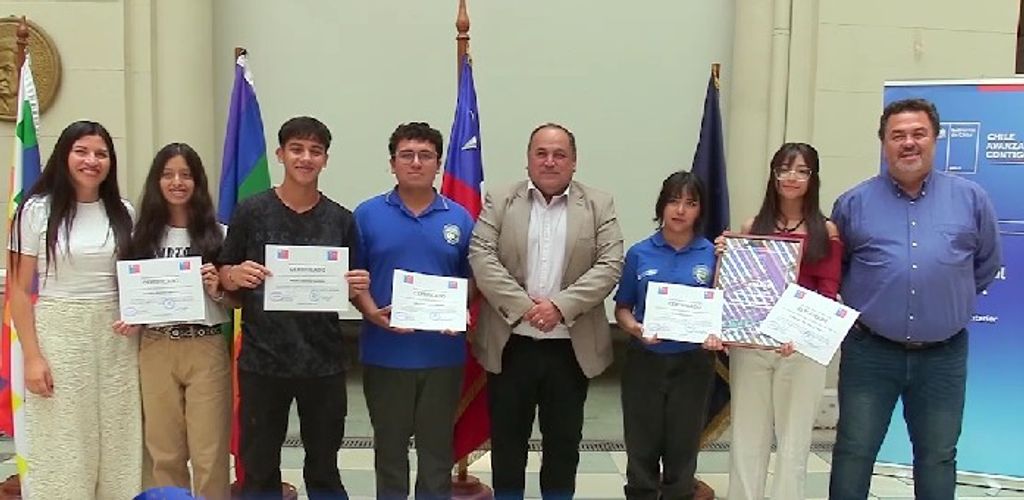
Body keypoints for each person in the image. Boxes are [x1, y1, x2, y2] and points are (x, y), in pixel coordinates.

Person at [828, 98, 1001, 500]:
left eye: (918, 133)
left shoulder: (971, 199)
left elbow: (986, 264)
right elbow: (838, 268)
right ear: (884, 143)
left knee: (938, 456)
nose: (908, 143)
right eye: (898, 135)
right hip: (870, 353)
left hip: (943, 357)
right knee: (854, 450)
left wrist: (943, 300)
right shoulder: (853, 203)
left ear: (935, 139)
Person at [217, 116, 371, 499]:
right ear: (280, 154)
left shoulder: (341, 219)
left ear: (325, 159)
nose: (306, 158)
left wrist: (358, 287)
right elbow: (224, 272)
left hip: (324, 362)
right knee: (259, 467)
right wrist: (233, 274)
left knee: (324, 467)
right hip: (262, 361)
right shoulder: (251, 212)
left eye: (315, 151)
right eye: (297, 149)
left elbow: (352, 284)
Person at [468, 122, 624, 499]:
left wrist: (559, 307)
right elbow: (481, 256)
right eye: (541, 153)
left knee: (563, 444)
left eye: (559, 154)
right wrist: (524, 308)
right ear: (528, 160)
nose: (549, 161)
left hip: (570, 347)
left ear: (574, 162)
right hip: (511, 343)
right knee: (508, 442)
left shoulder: (599, 204)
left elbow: (610, 265)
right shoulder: (501, 200)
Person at [7, 120, 139, 498]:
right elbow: (18, 290)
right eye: (81, 151)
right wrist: (32, 357)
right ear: (64, 155)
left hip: (115, 337)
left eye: (101, 154)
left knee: (119, 437)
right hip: (60, 333)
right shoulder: (36, 211)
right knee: (65, 440)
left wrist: (136, 314)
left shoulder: (124, 211)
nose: (91, 161)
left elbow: (133, 278)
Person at [709, 143, 842, 500]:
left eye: (802, 170)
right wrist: (726, 256)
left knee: (794, 443)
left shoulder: (826, 230)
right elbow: (739, 286)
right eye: (784, 169)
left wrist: (800, 332)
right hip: (753, 346)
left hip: (801, 349)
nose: (791, 177)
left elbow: (828, 292)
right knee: (746, 438)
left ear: (813, 178)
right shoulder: (752, 227)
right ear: (773, 175)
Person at [351, 122, 475, 499]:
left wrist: (460, 310)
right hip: (385, 354)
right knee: (389, 452)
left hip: (443, 355)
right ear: (392, 164)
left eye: (425, 155)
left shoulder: (460, 218)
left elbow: (472, 280)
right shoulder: (366, 214)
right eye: (407, 155)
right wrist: (371, 312)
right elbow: (354, 278)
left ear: (438, 164)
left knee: (437, 453)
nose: (416, 163)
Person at [119, 143, 235, 500]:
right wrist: (132, 316)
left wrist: (218, 289)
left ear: (198, 182)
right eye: (168, 174)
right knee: (164, 451)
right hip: (156, 345)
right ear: (156, 181)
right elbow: (128, 293)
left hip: (205, 345)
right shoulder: (139, 237)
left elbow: (237, 301)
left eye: (186, 175)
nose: (177, 182)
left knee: (209, 453)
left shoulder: (220, 234)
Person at [613, 171, 718, 500]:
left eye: (690, 203)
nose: (680, 210)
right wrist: (636, 329)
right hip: (645, 361)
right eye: (673, 201)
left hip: (693, 363)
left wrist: (715, 334)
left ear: (700, 210)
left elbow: (723, 310)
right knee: (641, 446)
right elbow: (622, 309)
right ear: (661, 206)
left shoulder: (714, 255)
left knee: (682, 448)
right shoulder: (640, 253)